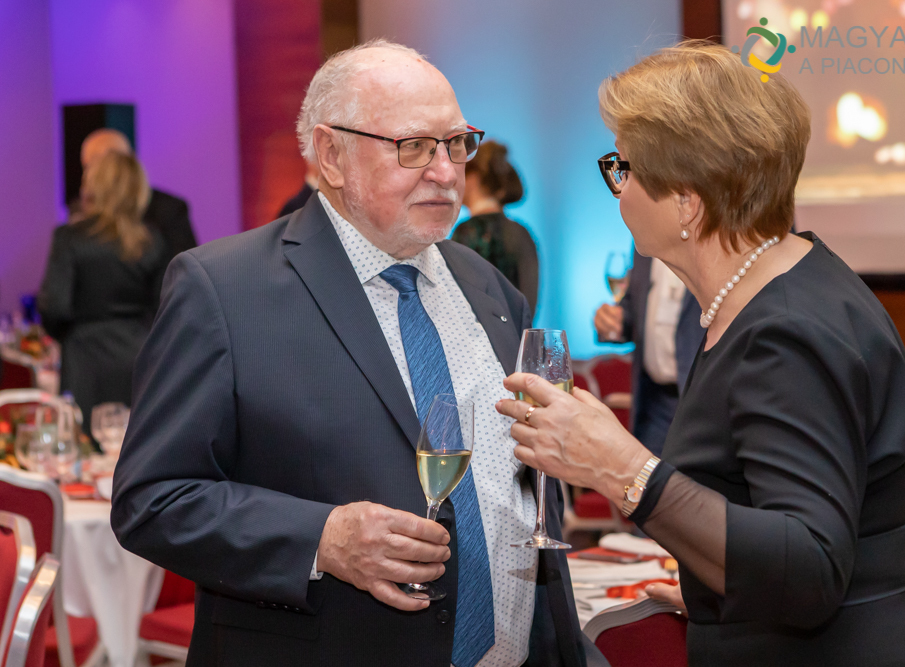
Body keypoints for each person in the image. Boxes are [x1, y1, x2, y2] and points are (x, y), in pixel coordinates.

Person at [111, 40, 602, 667]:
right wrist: (323, 539)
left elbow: (524, 491)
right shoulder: (224, 289)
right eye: (414, 146)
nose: (446, 172)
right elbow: (152, 499)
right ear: (332, 155)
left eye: (456, 144)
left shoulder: (487, 286)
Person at [496, 41, 905, 666]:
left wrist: (622, 469)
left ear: (687, 201)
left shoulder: (784, 333)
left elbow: (811, 566)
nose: (618, 192)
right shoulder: (779, 290)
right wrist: (716, 585)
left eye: (624, 168)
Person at [38, 152, 169, 438]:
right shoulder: (152, 241)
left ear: (93, 187)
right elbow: (163, 308)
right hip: (138, 353)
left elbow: (55, 307)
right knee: (136, 442)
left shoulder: (70, 238)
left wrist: (67, 336)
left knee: (84, 443)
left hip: (85, 359)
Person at [593, 252, 702, 455]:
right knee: (646, 473)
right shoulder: (643, 246)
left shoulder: (710, 239)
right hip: (652, 402)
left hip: (698, 399)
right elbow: (633, 309)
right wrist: (612, 322)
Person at [80, 128, 197, 259]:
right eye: (90, 166)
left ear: (130, 163)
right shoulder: (79, 210)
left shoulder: (169, 209)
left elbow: (185, 265)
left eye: (113, 164)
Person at [452, 141, 539, 317]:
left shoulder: (467, 231)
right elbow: (528, 307)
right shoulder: (521, 233)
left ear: (474, 177)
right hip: (519, 333)